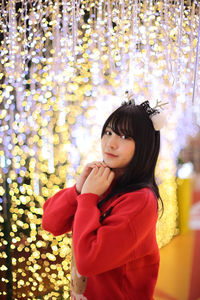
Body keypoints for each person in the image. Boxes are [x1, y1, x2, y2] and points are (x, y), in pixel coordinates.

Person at [42, 96, 165, 300]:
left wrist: (88, 198)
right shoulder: (103, 183)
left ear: (144, 146)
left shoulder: (141, 200)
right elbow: (50, 223)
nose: (111, 143)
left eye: (125, 137)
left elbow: (88, 262)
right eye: (108, 132)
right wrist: (79, 190)